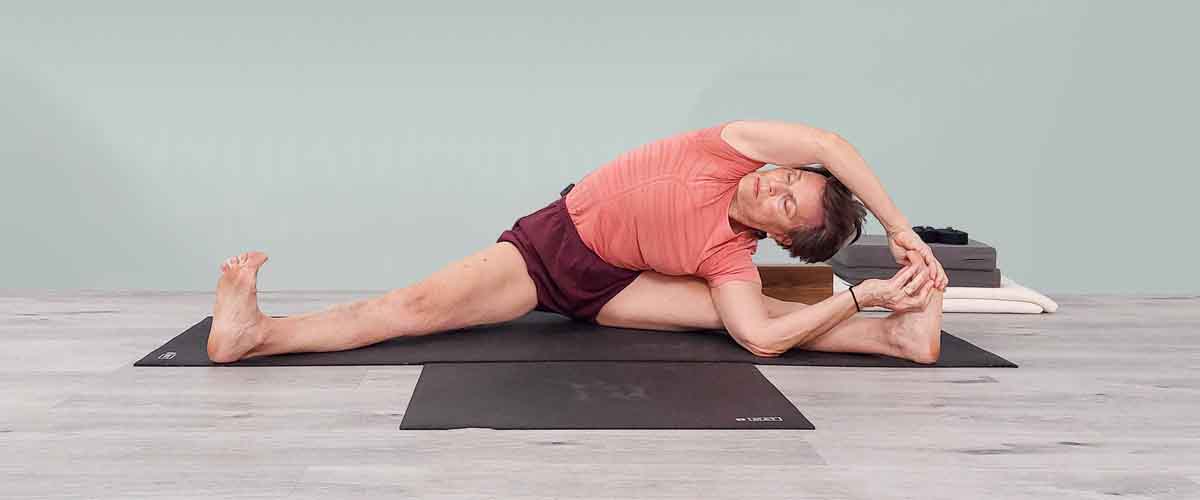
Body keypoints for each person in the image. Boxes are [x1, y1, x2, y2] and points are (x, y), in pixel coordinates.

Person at [207, 120, 950, 364]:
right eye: (787, 175)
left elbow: (760, 338)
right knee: (415, 304)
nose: (774, 185)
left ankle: (897, 336)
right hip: (550, 253)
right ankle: (259, 335)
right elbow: (830, 141)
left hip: (617, 288)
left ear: (786, 237)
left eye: (789, 200)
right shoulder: (730, 150)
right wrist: (899, 230)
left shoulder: (731, 258)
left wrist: (859, 292)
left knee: (745, 322)